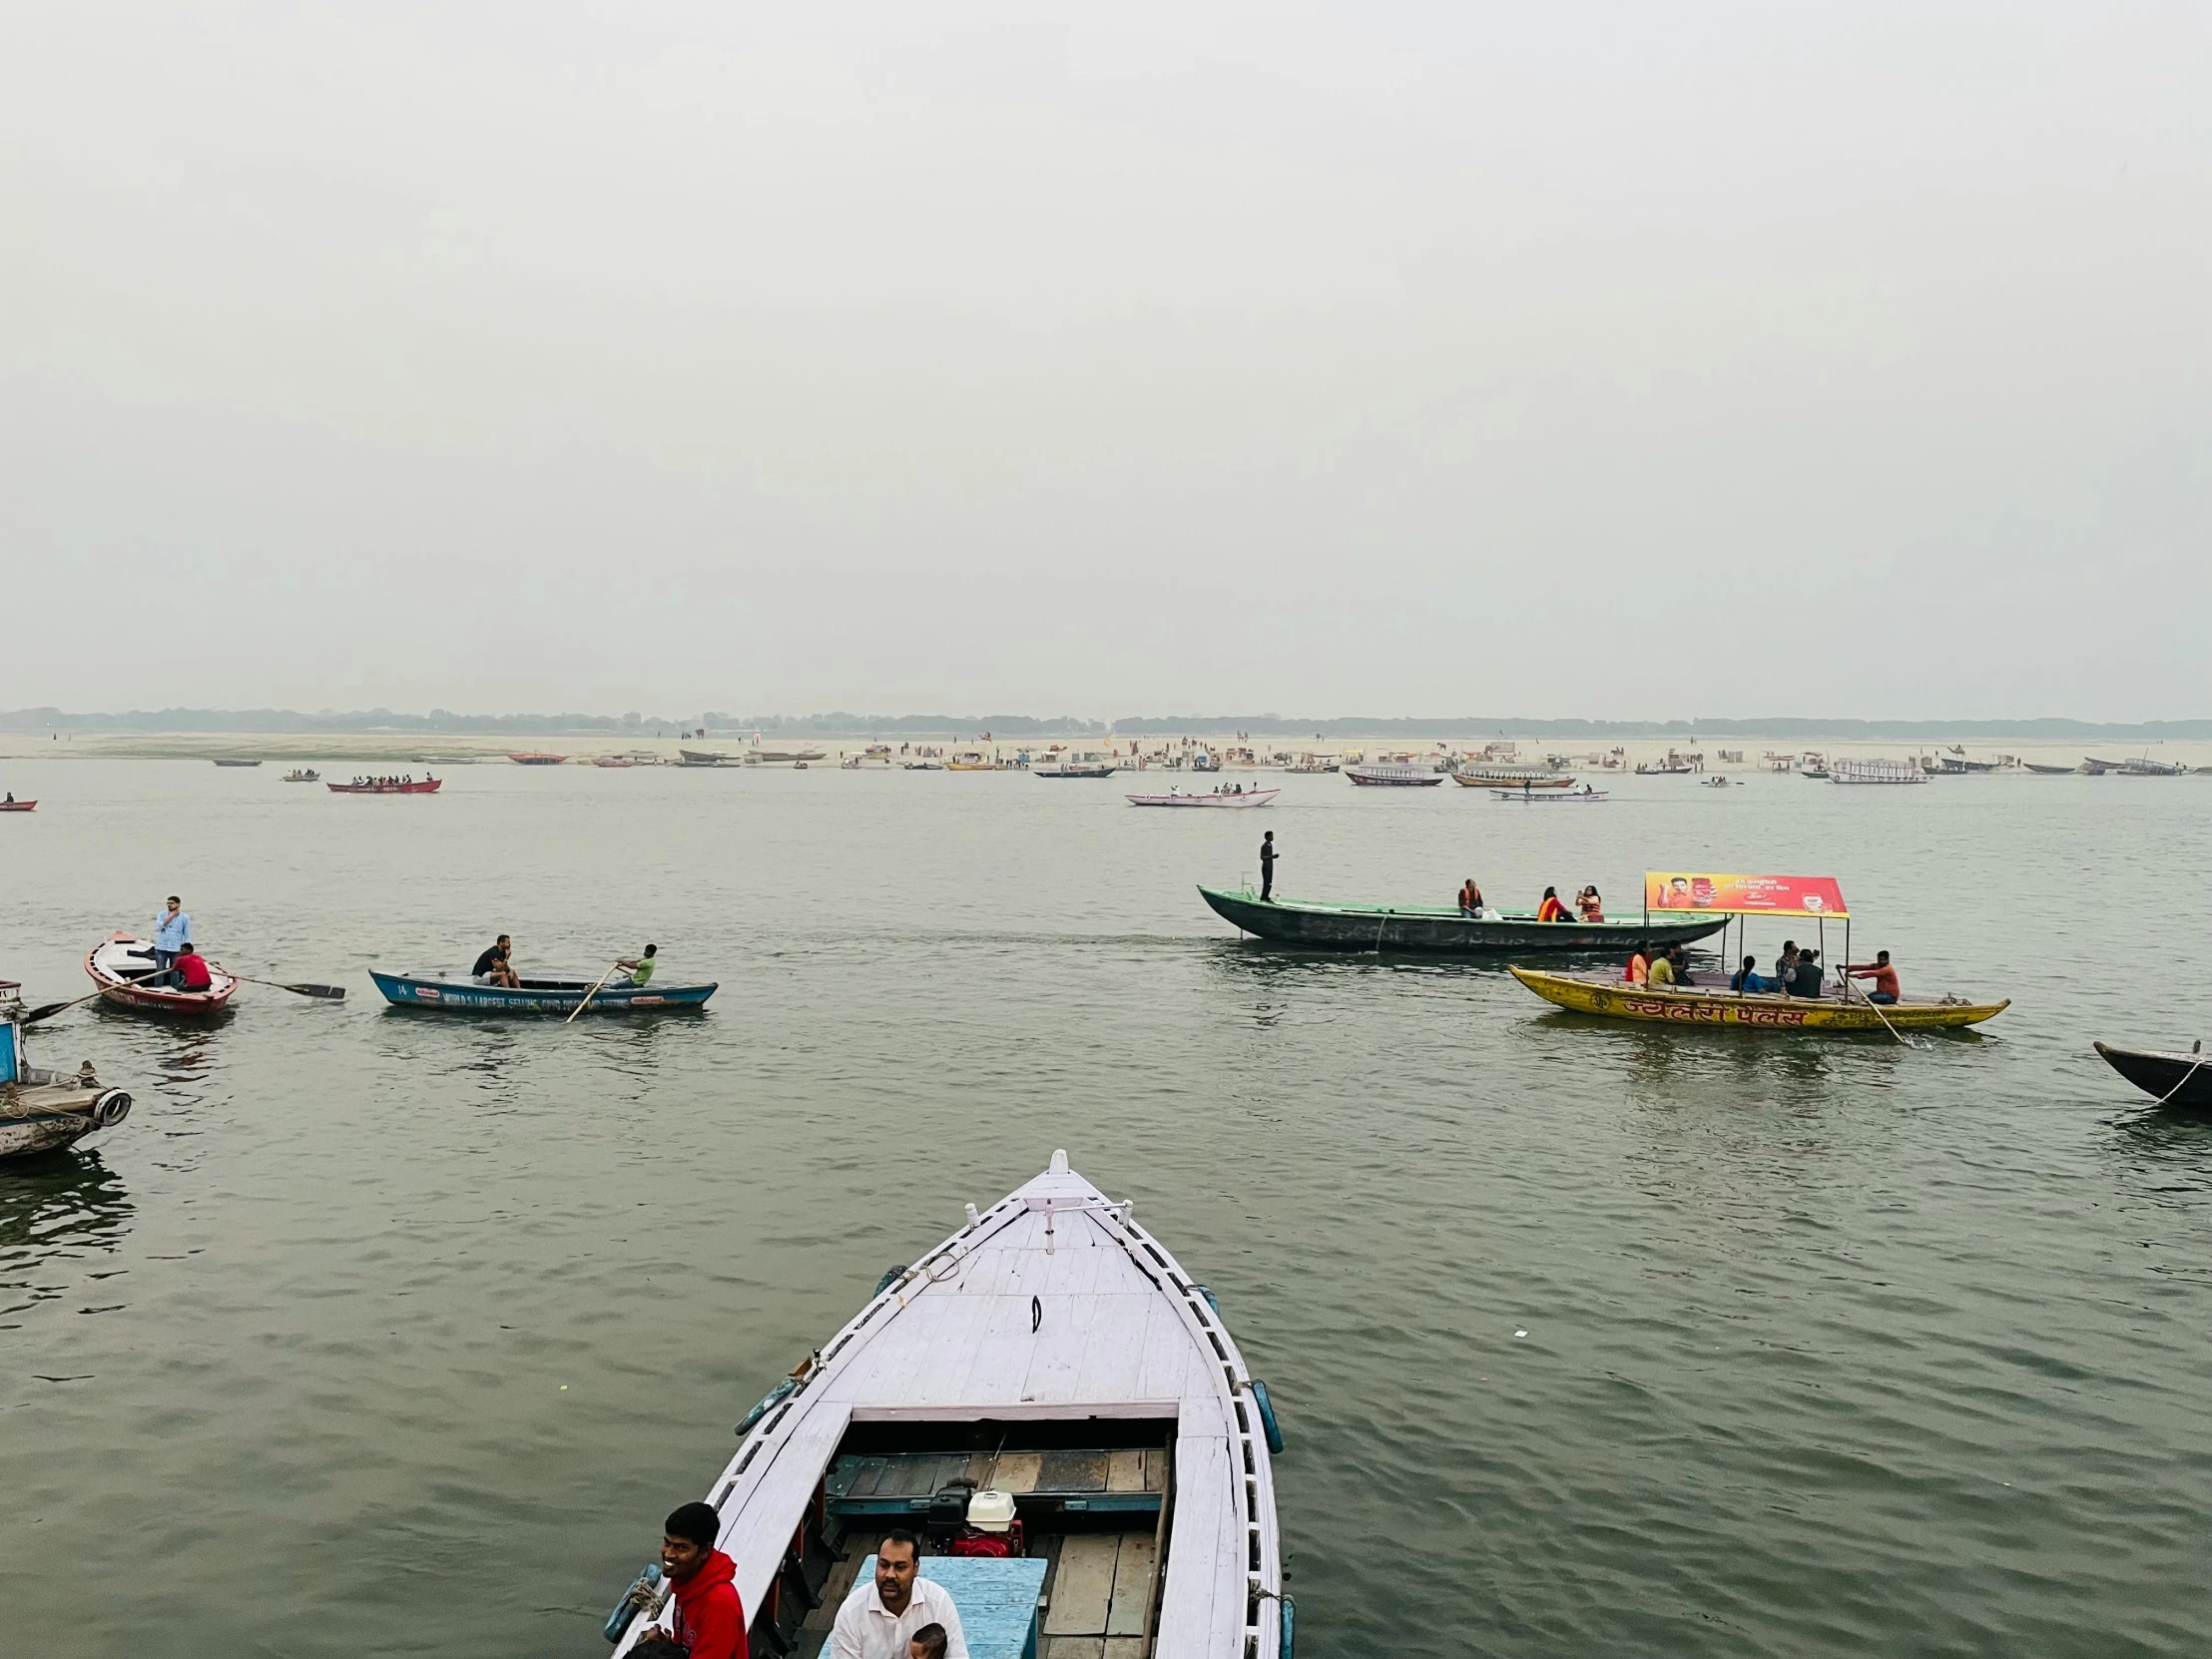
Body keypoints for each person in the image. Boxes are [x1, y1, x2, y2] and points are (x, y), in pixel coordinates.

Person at [830, 1530, 969, 1659]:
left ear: (916, 1568)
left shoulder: (939, 1603)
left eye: (900, 1567)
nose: (890, 1574)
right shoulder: (851, 1612)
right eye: (884, 1565)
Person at [657, 1500, 748, 1659]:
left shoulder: (720, 1604)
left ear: (705, 1550)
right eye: (667, 1543)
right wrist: (664, 1647)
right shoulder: (687, 1581)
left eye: (681, 1547)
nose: (669, 1554)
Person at [152, 895, 193, 975]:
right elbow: (158, 927)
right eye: (168, 903)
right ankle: (158, 987)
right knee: (159, 970)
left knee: (175, 971)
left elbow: (187, 934)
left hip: (176, 949)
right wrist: (171, 917)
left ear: (178, 904)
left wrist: (188, 950)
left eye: (172, 903)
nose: (169, 905)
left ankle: (175, 987)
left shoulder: (185, 917)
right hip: (161, 948)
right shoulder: (162, 914)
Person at [1259, 831, 1277, 901]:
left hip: (1270, 867)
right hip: (1266, 867)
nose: (1272, 837)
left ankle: (1267, 896)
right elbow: (1262, 857)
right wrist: (1272, 856)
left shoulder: (1270, 845)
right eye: (1271, 836)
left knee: (1269, 882)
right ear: (1267, 837)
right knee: (1266, 882)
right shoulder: (1264, 846)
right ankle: (1263, 897)